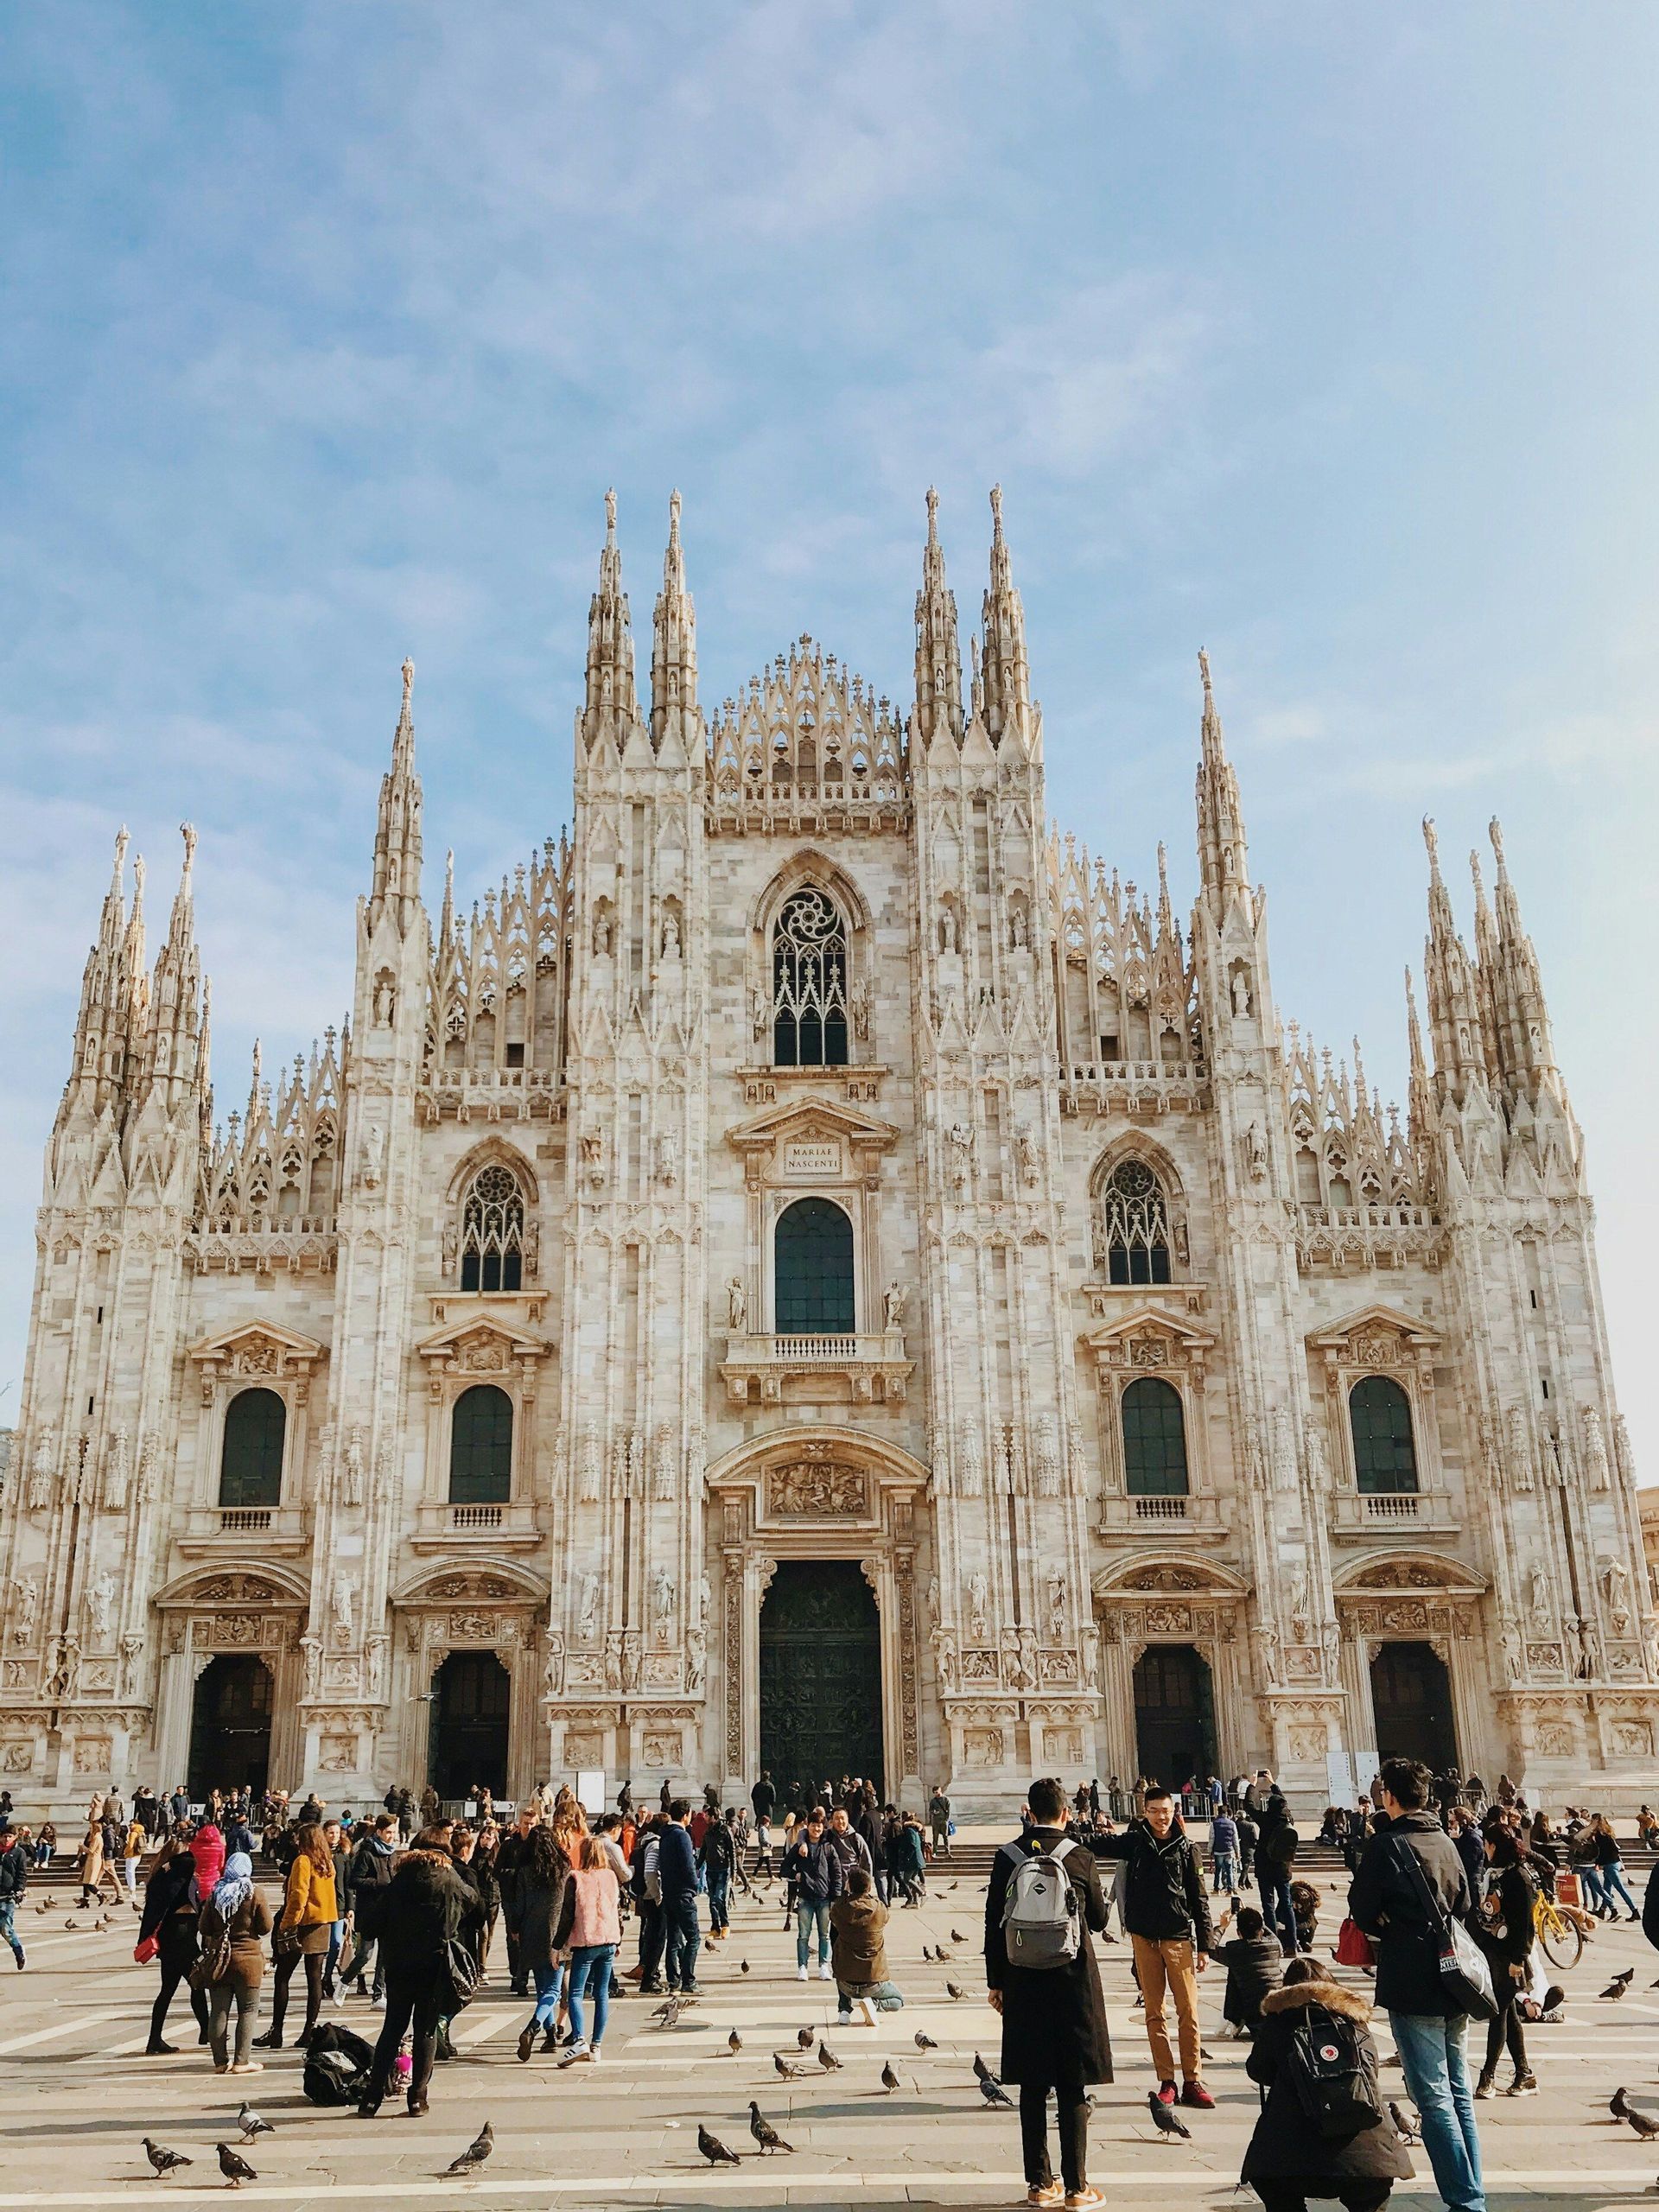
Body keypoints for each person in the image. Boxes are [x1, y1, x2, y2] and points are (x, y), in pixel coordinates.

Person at [1348, 1756, 1484, 2212]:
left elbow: (1362, 1909)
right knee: (1458, 2093)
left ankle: (1466, 2202)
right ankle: (1473, 2191)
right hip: (1454, 1982)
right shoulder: (1445, 1840)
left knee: (1432, 2097)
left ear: (1388, 1796)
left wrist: (1391, 1922)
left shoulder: (1387, 1846)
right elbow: (1467, 1902)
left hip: (1412, 1980)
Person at [985, 1773, 1112, 2209]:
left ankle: (1040, 2184)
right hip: (1072, 1982)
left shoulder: (1007, 1857)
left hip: (1023, 1979)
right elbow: (1097, 1921)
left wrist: (996, 1982)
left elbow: (992, 1925)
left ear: (1029, 1812)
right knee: (1072, 2085)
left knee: (1033, 2085)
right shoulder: (1079, 1856)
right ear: (1066, 1813)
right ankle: (1078, 2188)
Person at [1240, 1953, 1411, 2212]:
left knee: (1271, 2184)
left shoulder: (1279, 2021)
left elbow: (1258, 2070)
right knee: (1370, 2198)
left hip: (1290, 2160)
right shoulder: (1355, 2022)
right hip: (1369, 2158)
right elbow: (1371, 2069)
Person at [1091, 1784, 1215, 2108]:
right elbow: (1099, 1845)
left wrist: (1205, 1946)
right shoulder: (1134, 1842)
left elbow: (1199, 1896)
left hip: (1177, 1938)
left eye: (1167, 1811)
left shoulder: (1187, 1848)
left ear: (1175, 1812)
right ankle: (1167, 2080)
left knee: (1188, 2010)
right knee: (1154, 2012)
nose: (1162, 1817)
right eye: (1155, 1811)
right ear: (1145, 1812)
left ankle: (1193, 2079)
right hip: (1144, 1938)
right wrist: (1058, 1835)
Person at [357, 1826, 471, 2118]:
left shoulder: (400, 1880)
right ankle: (417, 2098)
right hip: (434, 1966)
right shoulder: (449, 1878)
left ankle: (371, 2099)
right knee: (426, 2031)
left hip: (399, 1966)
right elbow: (475, 1902)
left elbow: (371, 1924)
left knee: (392, 2030)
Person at [256, 1821, 337, 2050]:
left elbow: (299, 1896)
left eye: (299, 1838)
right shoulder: (327, 1862)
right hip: (323, 1924)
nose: (295, 1841)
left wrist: (286, 1924)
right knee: (314, 1979)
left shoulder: (303, 1861)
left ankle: (277, 2030)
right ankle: (309, 2031)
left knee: (282, 1976)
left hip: (302, 1924)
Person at [1471, 1826, 1538, 2100]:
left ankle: (1487, 2076)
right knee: (1508, 2016)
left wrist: (1518, 1959)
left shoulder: (1517, 1878)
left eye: (1486, 1844)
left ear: (1494, 1845)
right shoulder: (1495, 1875)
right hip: (1494, 1954)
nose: (1484, 1850)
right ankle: (1524, 2074)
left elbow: (1525, 1924)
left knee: (1498, 2016)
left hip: (1511, 1958)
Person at [197, 1849, 273, 2075]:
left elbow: (204, 1928)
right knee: (248, 2010)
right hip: (249, 1961)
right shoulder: (255, 1893)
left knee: (219, 2011)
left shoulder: (216, 1893)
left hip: (220, 1962)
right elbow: (266, 1926)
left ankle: (220, 2061)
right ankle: (242, 2061)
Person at [139, 1831, 212, 2054]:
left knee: (169, 1989)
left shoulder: (162, 1876)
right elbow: (188, 1862)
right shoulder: (176, 1872)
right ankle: (206, 2031)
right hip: (181, 1934)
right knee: (196, 1983)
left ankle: (155, 2039)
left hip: (172, 1936)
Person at [552, 1834, 622, 2064]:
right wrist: (617, 1938)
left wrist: (556, 1946)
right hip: (608, 1940)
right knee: (602, 1994)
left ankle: (580, 2039)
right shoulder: (611, 1876)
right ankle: (597, 2045)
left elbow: (566, 1916)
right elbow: (615, 1908)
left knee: (575, 1993)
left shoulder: (576, 1878)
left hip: (586, 1940)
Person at [509, 1820, 573, 2061]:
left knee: (542, 1988)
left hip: (532, 1932)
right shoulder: (564, 1867)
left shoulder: (525, 1870)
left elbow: (519, 1904)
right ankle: (533, 2028)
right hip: (557, 1934)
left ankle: (549, 2037)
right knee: (554, 1990)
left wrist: (515, 1928)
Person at [830, 1865, 894, 2025]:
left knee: (844, 1959)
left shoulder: (840, 1909)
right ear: (869, 1887)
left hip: (845, 1983)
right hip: (873, 1980)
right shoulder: (879, 1908)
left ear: (849, 1885)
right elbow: (886, 1918)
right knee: (898, 1999)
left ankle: (844, 2010)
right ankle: (875, 2005)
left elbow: (833, 1917)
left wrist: (845, 1893)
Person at [787, 1807, 844, 1980]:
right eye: (813, 1825)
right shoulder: (799, 1847)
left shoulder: (828, 1847)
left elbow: (837, 1873)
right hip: (805, 1897)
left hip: (824, 1897)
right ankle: (802, 1967)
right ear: (808, 1826)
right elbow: (784, 1866)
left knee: (824, 1935)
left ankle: (823, 1966)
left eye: (819, 1826)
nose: (816, 1829)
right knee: (803, 1935)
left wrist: (835, 1897)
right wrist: (795, 1875)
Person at [346, 1812, 397, 2000]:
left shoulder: (392, 1853)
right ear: (380, 1831)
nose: (392, 1836)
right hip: (369, 1912)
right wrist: (379, 1884)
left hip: (387, 1911)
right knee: (364, 1956)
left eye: (394, 1832)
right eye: (389, 1832)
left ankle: (379, 1993)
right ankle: (344, 1983)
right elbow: (355, 1880)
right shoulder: (367, 1853)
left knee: (384, 1957)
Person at [1212, 1903, 1284, 2036]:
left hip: (1256, 2020)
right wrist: (1255, 1919)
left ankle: (1235, 2018)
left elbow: (1210, 1948)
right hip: (1280, 2016)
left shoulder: (1235, 1950)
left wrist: (1222, 1926)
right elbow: (1273, 1936)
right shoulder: (1275, 1945)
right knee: (1240, 1970)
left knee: (1235, 1972)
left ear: (1239, 1932)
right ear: (1261, 1930)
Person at [493, 1801, 542, 1999]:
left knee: (531, 1938)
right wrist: (519, 1874)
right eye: (525, 1823)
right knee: (514, 1938)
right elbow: (497, 1871)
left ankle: (524, 1976)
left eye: (531, 1824)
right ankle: (517, 1975)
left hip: (533, 1899)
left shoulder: (540, 1845)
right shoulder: (509, 1845)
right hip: (512, 1897)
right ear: (519, 1824)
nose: (528, 1828)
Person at [658, 1799, 702, 1994]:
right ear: (686, 1815)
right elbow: (688, 1865)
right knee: (693, 1938)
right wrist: (694, 1886)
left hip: (669, 1893)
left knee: (674, 1939)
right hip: (683, 1894)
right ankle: (688, 1981)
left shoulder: (665, 1835)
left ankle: (673, 1980)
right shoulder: (681, 1835)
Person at [1584, 1812, 1640, 1922]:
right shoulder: (1607, 1833)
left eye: (1592, 1821)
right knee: (1607, 1889)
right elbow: (1615, 1850)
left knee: (1620, 1888)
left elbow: (1601, 1852)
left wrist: (1597, 1863)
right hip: (1612, 1863)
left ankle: (1634, 1910)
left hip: (1609, 1864)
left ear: (1596, 1821)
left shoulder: (1600, 1836)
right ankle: (1603, 1910)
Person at [0, 1816, 27, 1970]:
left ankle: (19, 1952)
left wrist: (19, 1890)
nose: (6, 1839)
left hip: (7, 1896)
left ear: (15, 1837)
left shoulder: (18, 1853)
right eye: (4, 1836)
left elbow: (21, 1874)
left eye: (9, 1837)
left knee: (6, 1929)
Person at [1211, 1805, 1240, 1896]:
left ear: (1218, 1812)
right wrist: (1237, 1852)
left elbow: (1212, 1838)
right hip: (1229, 1850)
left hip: (1218, 1850)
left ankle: (1217, 1889)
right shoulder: (1232, 1824)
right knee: (1229, 1870)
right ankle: (1230, 1890)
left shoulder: (1214, 1823)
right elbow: (1235, 1839)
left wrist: (1210, 1850)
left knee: (1218, 1870)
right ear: (1226, 1813)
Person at [929, 1783, 951, 1859]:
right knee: (935, 1838)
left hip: (943, 1821)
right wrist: (933, 1812)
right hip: (936, 1821)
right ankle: (934, 1852)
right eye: (935, 1793)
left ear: (940, 1791)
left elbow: (949, 1810)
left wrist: (946, 1819)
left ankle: (947, 1852)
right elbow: (930, 1810)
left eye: (937, 1792)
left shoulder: (946, 1799)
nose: (936, 1794)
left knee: (945, 1837)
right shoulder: (933, 1801)